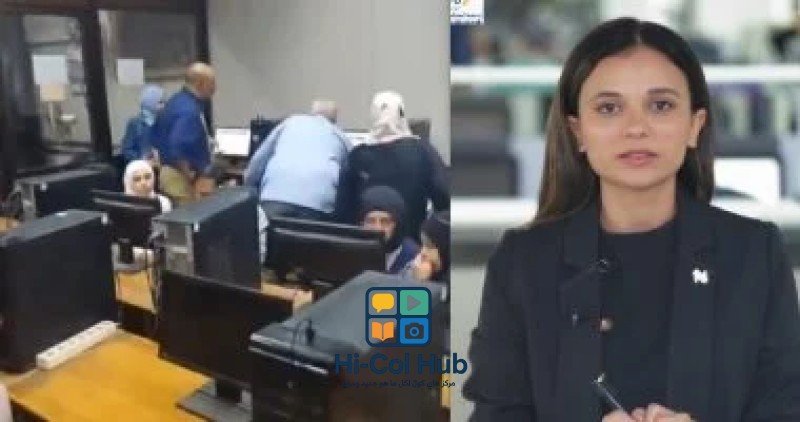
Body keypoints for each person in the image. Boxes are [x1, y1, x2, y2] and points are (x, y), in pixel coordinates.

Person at [463, 17, 800, 422]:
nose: (636, 128)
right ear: (577, 132)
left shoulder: (754, 254)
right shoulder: (523, 262)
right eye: (609, 108)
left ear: (695, 125)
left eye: (661, 106)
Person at [335, 90, 449, 241]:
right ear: (401, 115)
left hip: (366, 245)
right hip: (412, 245)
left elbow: (342, 209)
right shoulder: (423, 151)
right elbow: (444, 198)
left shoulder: (357, 155)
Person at [243, 99, 350, 221]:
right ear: (334, 120)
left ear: (312, 113)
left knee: (265, 232)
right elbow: (351, 174)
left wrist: (247, 186)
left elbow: (258, 161)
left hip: (275, 197)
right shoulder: (340, 135)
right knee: (308, 233)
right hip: (318, 204)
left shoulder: (290, 122)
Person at [153, 62, 216, 206]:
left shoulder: (175, 102)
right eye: (212, 83)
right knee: (190, 217)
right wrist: (191, 177)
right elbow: (178, 147)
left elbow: (157, 138)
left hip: (167, 174)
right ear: (201, 84)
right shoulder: (189, 111)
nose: (215, 88)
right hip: (180, 178)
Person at [359, 185, 419, 274]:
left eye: (385, 222)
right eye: (371, 221)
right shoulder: (352, 249)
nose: (377, 228)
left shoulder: (413, 256)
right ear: (361, 223)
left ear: (396, 224)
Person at [120, 85, 164, 166]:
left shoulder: (163, 121)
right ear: (151, 102)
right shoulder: (135, 123)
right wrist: (141, 159)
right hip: (142, 169)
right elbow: (126, 150)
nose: (163, 105)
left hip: (161, 167)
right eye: (160, 102)